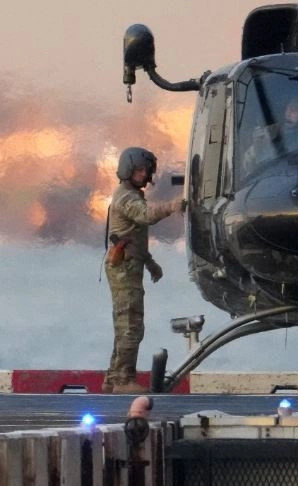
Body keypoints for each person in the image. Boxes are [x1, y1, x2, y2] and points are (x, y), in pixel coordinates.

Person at [102, 148, 184, 394]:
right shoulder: (127, 198)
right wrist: (172, 206)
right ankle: (123, 380)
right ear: (127, 170)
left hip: (129, 263)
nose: (143, 175)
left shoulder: (130, 195)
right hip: (124, 267)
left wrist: (150, 263)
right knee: (131, 325)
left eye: (145, 171)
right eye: (139, 170)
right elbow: (146, 216)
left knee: (124, 324)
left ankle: (113, 377)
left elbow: (134, 237)